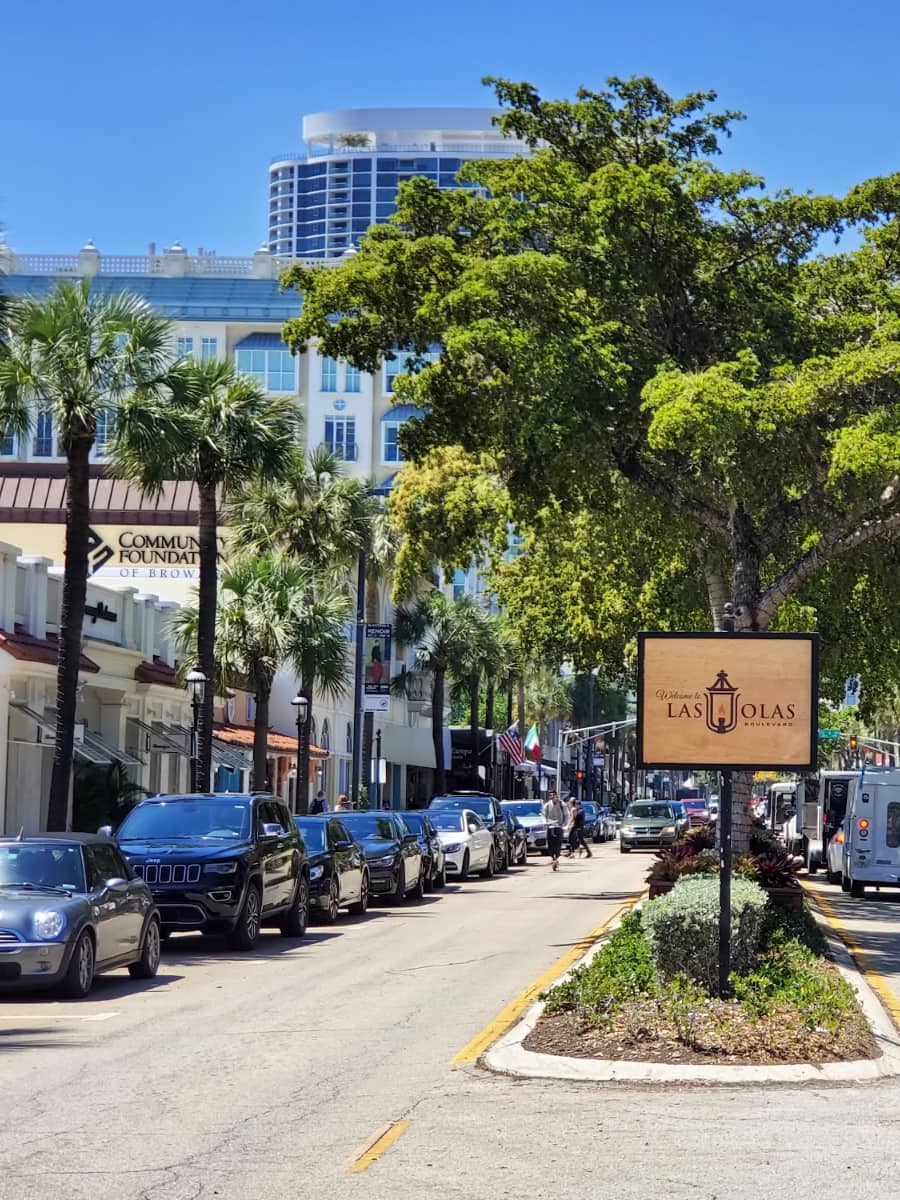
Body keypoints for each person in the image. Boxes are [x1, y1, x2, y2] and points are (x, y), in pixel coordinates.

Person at [542, 790, 567, 870]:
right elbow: (543, 815)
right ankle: (553, 858)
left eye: (554, 795)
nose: (553, 797)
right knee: (550, 844)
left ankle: (556, 858)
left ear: (557, 796)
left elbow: (566, 815)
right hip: (550, 827)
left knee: (558, 844)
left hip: (559, 827)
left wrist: (564, 823)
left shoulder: (562, 804)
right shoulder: (547, 805)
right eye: (551, 795)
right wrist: (545, 822)